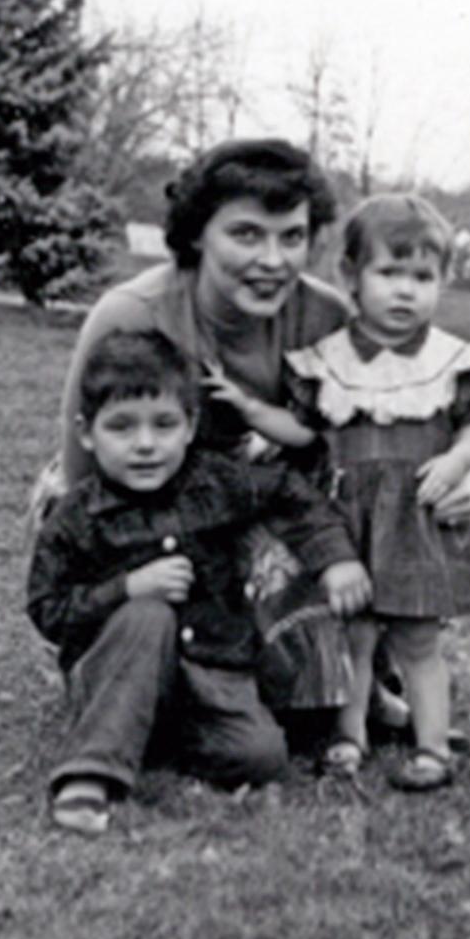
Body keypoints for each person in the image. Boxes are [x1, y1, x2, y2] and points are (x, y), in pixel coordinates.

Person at [47, 138, 373, 715]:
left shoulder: (327, 320)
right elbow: (80, 478)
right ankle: (115, 669)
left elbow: (369, 444)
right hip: (144, 511)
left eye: (291, 237)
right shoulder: (133, 313)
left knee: (373, 508)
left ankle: (357, 679)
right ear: (198, 233)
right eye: (246, 234)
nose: (273, 261)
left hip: (263, 506)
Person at [27, 329, 364, 835]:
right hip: (117, 665)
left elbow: (291, 494)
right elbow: (47, 609)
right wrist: (126, 589)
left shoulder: (215, 481)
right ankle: (89, 775)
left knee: (262, 757)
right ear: (87, 433)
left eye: (164, 425)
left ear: (190, 427)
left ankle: (148, 739)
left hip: (210, 669)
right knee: (148, 613)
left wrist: (336, 558)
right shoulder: (77, 516)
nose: (145, 445)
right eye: (122, 427)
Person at [283, 194, 470, 790]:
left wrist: (457, 461)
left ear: (443, 282)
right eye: (389, 273)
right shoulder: (326, 361)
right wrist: (254, 418)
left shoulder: (452, 361)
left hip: (415, 516)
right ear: (350, 276)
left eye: (423, 277)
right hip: (350, 515)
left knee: (418, 638)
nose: (406, 291)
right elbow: (305, 432)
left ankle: (432, 748)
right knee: (354, 631)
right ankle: (348, 736)